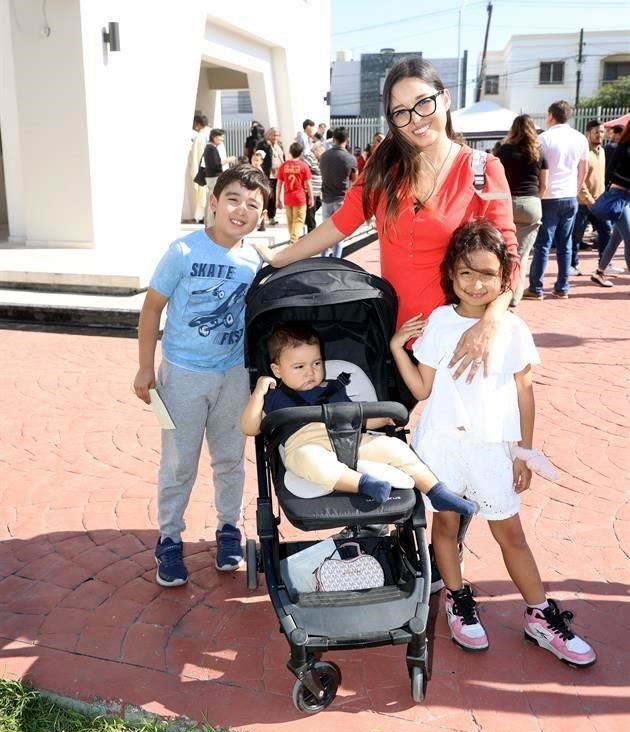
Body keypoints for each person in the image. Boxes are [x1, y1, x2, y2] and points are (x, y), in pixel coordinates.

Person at [390, 220, 596, 666]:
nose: (476, 283)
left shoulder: (513, 329)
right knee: (444, 529)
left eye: (487, 274)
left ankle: (539, 614)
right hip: (443, 445)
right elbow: (423, 390)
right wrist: (395, 348)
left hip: (491, 449)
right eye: (466, 273)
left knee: (511, 535)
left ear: (503, 278)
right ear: (451, 275)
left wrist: (523, 450)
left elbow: (525, 391)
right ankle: (458, 598)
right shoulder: (440, 323)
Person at [262, 57, 518, 380]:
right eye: (401, 112)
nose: (416, 120)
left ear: (446, 99)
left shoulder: (482, 170)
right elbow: (340, 224)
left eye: (424, 103)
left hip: (457, 338)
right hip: (395, 335)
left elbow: (509, 257)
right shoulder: (384, 170)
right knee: (388, 425)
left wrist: (491, 320)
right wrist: (279, 257)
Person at [133, 165, 271, 586]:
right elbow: (152, 308)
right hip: (182, 377)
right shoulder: (184, 252)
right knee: (178, 464)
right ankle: (169, 539)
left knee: (231, 460)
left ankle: (229, 529)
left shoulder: (255, 260)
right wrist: (144, 366)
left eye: (253, 205)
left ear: (262, 216)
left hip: (232, 376)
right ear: (213, 203)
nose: (241, 210)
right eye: (233, 199)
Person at [241, 323, 477, 514]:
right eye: (299, 366)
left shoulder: (334, 388)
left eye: (316, 363)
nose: (310, 372)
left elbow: (358, 419)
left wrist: (383, 419)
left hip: (349, 439)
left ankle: (436, 492)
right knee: (308, 460)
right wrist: (259, 392)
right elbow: (250, 428)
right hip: (305, 444)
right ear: (277, 370)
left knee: (394, 447)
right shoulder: (275, 397)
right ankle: (363, 484)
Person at [524, 101, 588, 300]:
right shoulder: (579, 138)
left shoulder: (543, 138)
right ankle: (562, 286)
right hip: (569, 196)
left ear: (551, 116)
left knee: (543, 243)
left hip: (549, 196)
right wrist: (575, 190)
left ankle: (536, 287)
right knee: (565, 243)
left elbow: (537, 167)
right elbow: (583, 169)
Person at [496, 115, 548, 305]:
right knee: (522, 254)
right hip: (532, 203)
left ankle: (501, 293)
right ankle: (514, 298)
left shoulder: (504, 150)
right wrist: (536, 201)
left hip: (507, 203)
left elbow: (495, 178)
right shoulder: (539, 153)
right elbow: (544, 185)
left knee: (504, 252)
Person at [591, 120, 630, 287]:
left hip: (627, 198)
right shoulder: (621, 148)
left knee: (617, 238)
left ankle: (599, 271)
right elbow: (610, 174)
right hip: (618, 195)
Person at [571, 120, 611, 275]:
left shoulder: (602, 151)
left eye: (601, 132)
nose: (600, 135)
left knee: (606, 231)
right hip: (583, 203)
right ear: (588, 133)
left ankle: (604, 263)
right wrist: (588, 200)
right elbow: (578, 178)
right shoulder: (584, 152)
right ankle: (572, 265)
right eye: (596, 132)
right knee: (576, 235)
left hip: (600, 202)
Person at [319, 127, 358, 259]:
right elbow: (355, 180)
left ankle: (323, 258)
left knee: (325, 232)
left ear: (333, 139)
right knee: (339, 233)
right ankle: (336, 260)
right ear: (347, 140)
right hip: (341, 199)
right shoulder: (350, 159)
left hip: (326, 198)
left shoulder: (324, 156)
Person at [276, 141, 313, 243]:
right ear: (301, 153)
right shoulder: (303, 166)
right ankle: (293, 239)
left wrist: (277, 198)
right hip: (300, 197)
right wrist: (311, 197)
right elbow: (308, 184)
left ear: (290, 152)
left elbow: (279, 184)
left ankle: (293, 239)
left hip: (287, 197)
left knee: (291, 221)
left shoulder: (284, 166)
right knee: (299, 220)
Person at [182, 115, 209, 224]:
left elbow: (195, 157)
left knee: (199, 194)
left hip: (200, 169)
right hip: (209, 169)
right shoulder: (213, 134)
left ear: (197, 124)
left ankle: (199, 215)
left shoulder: (199, 137)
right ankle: (203, 215)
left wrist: (194, 171)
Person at [258, 127, 285, 226]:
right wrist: (269, 147)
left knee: (274, 196)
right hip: (267, 174)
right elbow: (260, 157)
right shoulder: (263, 145)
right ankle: (263, 216)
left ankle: (272, 216)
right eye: (273, 135)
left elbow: (282, 157)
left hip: (278, 174)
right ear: (269, 135)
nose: (275, 137)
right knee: (267, 195)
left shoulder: (279, 145)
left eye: (277, 135)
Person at [202, 128, 226, 227]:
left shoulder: (210, 147)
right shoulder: (211, 148)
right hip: (214, 178)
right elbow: (215, 165)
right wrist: (227, 161)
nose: (222, 139)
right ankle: (211, 224)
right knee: (213, 200)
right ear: (214, 137)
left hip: (211, 177)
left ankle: (209, 223)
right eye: (220, 137)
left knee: (210, 199)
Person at [302, 140, 323, 232]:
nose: (322, 153)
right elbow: (304, 170)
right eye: (322, 151)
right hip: (310, 190)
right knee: (311, 210)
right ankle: (311, 230)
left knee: (318, 204)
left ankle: (306, 221)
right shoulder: (309, 157)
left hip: (316, 191)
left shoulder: (316, 159)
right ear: (317, 150)